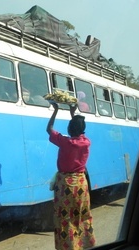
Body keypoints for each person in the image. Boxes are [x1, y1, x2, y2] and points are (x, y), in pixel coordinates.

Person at [46, 102, 96, 250]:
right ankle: (86, 245)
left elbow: (49, 129)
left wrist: (55, 110)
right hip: (81, 184)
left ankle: (68, 247)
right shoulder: (86, 142)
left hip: (65, 186)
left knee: (65, 219)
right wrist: (73, 114)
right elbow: (79, 130)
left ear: (69, 128)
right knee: (82, 215)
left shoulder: (65, 142)